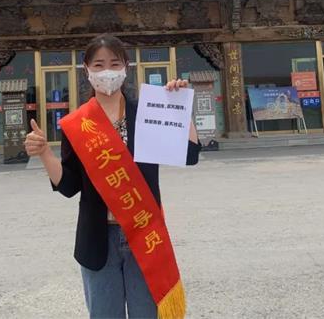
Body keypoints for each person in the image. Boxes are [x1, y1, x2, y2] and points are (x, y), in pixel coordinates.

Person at [24, 35, 201, 319]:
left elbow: (190, 155)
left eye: (114, 63)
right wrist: (44, 152)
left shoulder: (146, 112)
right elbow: (69, 185)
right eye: (99, 64)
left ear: (126, 67)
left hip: (144, 234)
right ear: (86, 69)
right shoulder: (76, 124)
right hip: (98, 238)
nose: (107, 71)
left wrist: (180, 107)